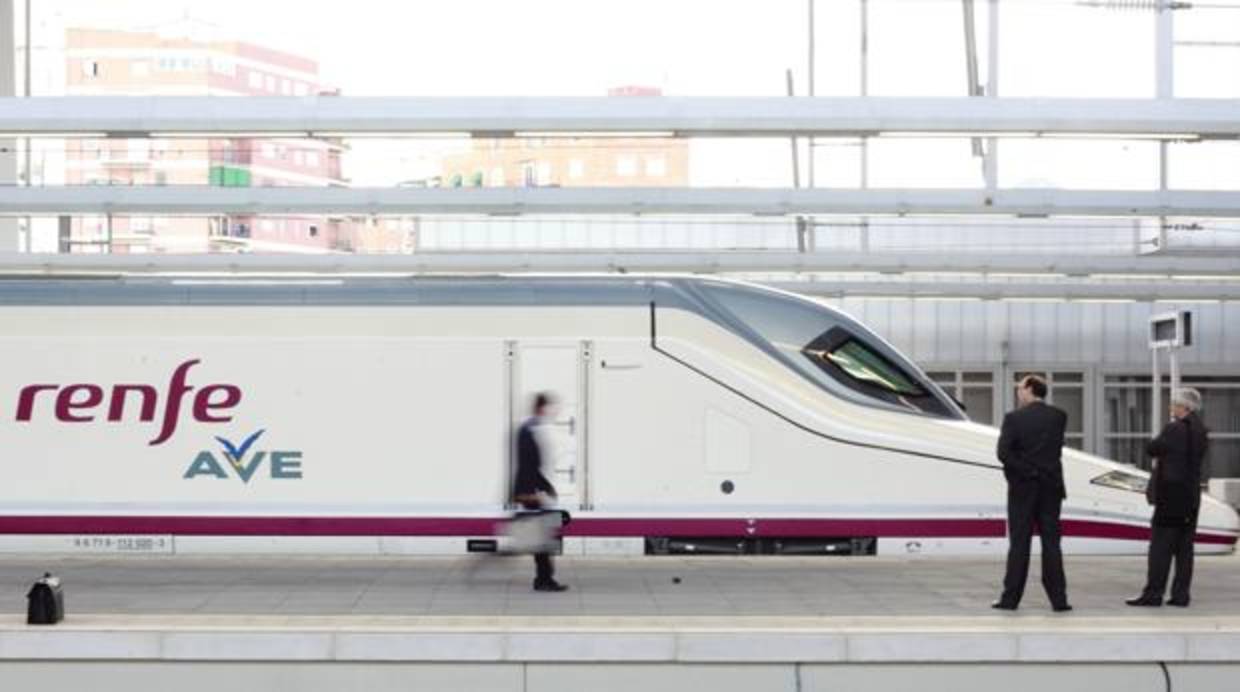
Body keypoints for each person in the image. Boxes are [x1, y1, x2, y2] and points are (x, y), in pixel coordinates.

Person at [993, 375, 1072, 612]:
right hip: (1051, 488)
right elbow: (1053, 449)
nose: (1018, 392)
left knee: (1019, 544)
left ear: (1029, 389)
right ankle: (1059, 600)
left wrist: (1026, 470)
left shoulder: (1014, 418)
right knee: (1052, 544)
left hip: (1023, 489)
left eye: (1020, 388)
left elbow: (1003, 453)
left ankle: (1010, 599)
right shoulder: (1059, 416)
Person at [1127, 388, 1208, 608]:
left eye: (1174, 404)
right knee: (1184, 549)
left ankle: (1153, 594)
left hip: (1171, 496)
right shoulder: (1201, 430)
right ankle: (1181, 595)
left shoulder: (1174, 429)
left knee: (1161, 548)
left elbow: (1152, 449)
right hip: (1191, 496)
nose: (1171, 407)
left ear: (1185, 407)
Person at [513, 392, 568, 592]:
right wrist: (543, 490)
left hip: (528, 491)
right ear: (542, 408)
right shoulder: (530, 430)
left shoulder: (528, 429)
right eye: (552, 407)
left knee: (540, 538)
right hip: (530, 492)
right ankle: (544, 580)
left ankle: (543, 578)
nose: (555, 412)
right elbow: (530, 467)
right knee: (541, 538)